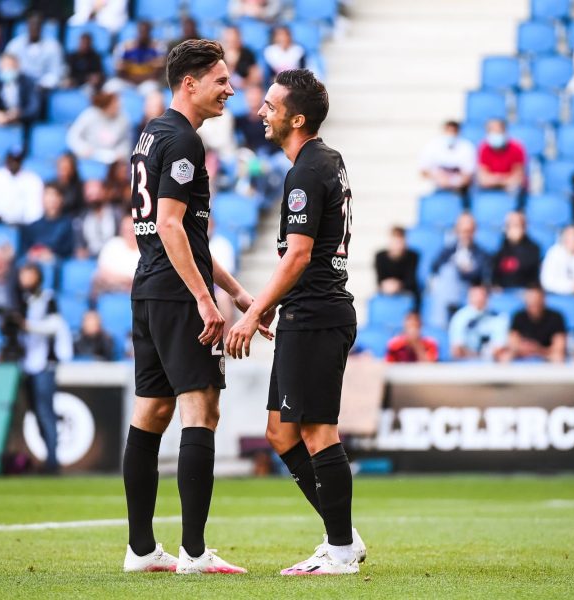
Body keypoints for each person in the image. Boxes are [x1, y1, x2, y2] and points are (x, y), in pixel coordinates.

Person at [225, 68, 365, 575]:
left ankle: (341, 548)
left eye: (272, 105)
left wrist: (252, 312)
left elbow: (299, 254)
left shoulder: (307, 169)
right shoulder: (324, 160)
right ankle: (341, 530)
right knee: (280, 433)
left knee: (316, 431)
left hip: (316, 313)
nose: (262, 112)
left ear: (296, 118)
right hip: (306, 314)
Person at [121, 39, 253, 575]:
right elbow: (174, 225)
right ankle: (194, 553)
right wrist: (206, 299)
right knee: (202, 410)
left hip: (149, 286)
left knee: (151, 411)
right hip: (178, 294)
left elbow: (174, 233)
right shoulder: (184, 142)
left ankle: (139, 549)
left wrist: (237, 290)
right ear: (189, 83)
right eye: (221, 79)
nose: (231, 88)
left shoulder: (152, 131)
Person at [16, 263, 73, 474]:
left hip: (44, 364)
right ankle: (47, 456)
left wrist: (27, 325)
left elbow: (55, 325)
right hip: (27, 363)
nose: (25, 280)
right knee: (36, 412)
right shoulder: (22, 300)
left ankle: (52, 461)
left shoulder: (48, 298)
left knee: (45, 411)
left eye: (29, 274)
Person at [429, 213, 491, 325]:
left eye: (469, 231)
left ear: (474, 231)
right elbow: (434, 267)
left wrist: (466, 271)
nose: (466, 235)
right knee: (448, 272)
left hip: (469, 295)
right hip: (447, 295)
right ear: (457, 231)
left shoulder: (482, 254)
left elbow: (483, 276)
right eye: (463, 231)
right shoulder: (448, 251)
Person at [0, 148, 44, 225]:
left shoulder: (33, 180)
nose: (14, 163)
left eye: (17, 160)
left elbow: (35, 213)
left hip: (22, 226)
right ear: (6, 160)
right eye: (11, 160)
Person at [66, 91, 132, 164]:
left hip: (113, 161)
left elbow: (126, 142)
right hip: (88, 158)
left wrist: (120, 154)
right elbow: (73, 136)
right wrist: (83, 149)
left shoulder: (123, 118)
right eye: (114, 103)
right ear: (106, 104)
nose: (118, 106)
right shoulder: (89, 115)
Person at [4, 13, 65, 91]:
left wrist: (42, 84)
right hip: (19, 87)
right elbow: (6, 67)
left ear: (42, 27)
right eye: (32, 24)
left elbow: (56, 72)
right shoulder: (14, 45)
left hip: (43, 89)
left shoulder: (53, 47)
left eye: (37, 25)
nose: (34, 28)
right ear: (27, 25)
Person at [448, 285, 509, 361]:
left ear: (487, 298)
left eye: (481, 295)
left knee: (505, 356)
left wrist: (483, 357)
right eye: (474, 296)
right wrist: (475, 357)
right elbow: (456, 349)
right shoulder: (459, 317)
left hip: (491, 364)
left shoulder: (499, 317)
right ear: (468, 298)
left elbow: (500, 347)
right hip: (465, 364)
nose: (478, 299)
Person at [507, 286, 567, 363]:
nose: (533, 305)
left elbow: (559, 347)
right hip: (523, 354)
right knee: (506, 356)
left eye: (536, 302)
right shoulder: (518, 316)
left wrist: (538, 349)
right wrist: (524, 348)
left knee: (558, 357)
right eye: (530, 303)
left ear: (543, 300)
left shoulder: (556, 317)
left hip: (546, 355)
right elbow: (513, 344)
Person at [420, 120, 476, 197]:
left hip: (459, 191)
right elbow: (423, 171)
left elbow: (468, 175)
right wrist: (438, 178)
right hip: (436, 189)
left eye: (453, 131)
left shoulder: (467, 147)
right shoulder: (432, 146)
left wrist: (453, 182)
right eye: (448, 131)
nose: (451, 134)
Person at [21, 184, 75, 263]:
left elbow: (67, 249)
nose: (51, 199)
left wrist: (50, 253)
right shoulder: (33, 226)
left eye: (55, 195)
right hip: (34, 261)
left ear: (61, 199)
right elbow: (26, 248)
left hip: (56, 262)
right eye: (48, 195)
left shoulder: (68, 224)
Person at [109, 20, 167, 93]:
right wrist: (132, 80)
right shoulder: (125, 47)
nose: (142, 35)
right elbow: (119, 71)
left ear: (149, 32)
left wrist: (141, 79)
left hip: (147, 82)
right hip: (128, 81)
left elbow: (158, 72)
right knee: (111, 86)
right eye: (140, 32)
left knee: (151, 88)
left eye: (145, 32)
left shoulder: (158, 47)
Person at [476, 119, 526, 196]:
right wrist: (500, 180)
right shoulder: (483, 148)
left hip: (512, 190)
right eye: (492, 131)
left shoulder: (517, 148)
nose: (495, 134)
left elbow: (518, 177)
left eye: (498, 131)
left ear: (505, 132)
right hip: (490, 189)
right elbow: (482, 179)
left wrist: (497, 180)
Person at [92, 214, 140, 295]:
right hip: (110, 292)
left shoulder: (145, 250)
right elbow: (101, 272)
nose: (130, 234)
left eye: (132, 230)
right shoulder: (112, 245)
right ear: (121, 231)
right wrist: (125, 280)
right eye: (126, 230)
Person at [492, 212, 541, 289]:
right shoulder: (500, 247)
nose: (514, 229)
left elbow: (527, 271)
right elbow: (494, 272)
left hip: (525, 289)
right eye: (510, 225)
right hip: (503, 291)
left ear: (524, 227)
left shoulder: (533, 248)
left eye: (517, 225)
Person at [0, 54, 41, 126]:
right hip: (1, 122)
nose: (6, 70)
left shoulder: (28, 82)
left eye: (10, 67)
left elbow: (33, 109)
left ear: (17, 66)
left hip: (24, 123)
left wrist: (18, 114)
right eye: (3, 67)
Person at [374, 226, 420, 305]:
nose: (397, 246)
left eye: (400, 242)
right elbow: (379, 280)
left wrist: (398, 285)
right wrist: (386, 286)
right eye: (395, 242)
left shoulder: (412, 256)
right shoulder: (380, 256)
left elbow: (412, 281)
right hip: (386, 290)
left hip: (407, 292)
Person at [74, 179, 118, 257]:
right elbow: (79, 245)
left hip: (114, 256)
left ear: (104, 191)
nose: (93, 196)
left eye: (96, 192)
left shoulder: (117, 214)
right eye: (89, 194)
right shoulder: (81, 217)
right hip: (89, 258)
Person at [221, 25, 261, 90]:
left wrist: (245, 83)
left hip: (245, 89)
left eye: (234, 39)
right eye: (229, 40)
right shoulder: (219, 55)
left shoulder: (247, 53)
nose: (232, 41)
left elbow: (256, 76)